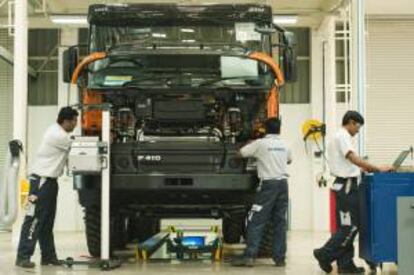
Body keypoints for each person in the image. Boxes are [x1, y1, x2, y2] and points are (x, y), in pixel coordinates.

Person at [313, 111, 393, 274]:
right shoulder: (342, 136)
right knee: (350, 227)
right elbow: (352, 158)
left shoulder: (341, 136)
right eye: (358, 126)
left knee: (346, 226)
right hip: (347, 188)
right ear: (350, 122)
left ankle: (345, 264)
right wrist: (377, 168)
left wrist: (365, 167)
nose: (358, 130)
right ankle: (324, 254)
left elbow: (351, 163)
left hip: (344, 186)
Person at [15, 107, 79, 268]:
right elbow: (77, 146)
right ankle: (23, 257)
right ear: (65, 121)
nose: (76, 124)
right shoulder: (57, 135)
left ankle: (48, 256)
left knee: (47, 222)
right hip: (41, 182)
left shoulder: (59, 132)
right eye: (74, 121)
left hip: (50, 182)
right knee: (34, 220)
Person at [231, 117, 292, 267]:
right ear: (280, 129)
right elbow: (289, 160)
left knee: (256, 220)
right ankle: (280, 259)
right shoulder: (285, 144)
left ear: (265, 129)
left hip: (268, 186)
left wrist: (249, 144)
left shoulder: (260, 144)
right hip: (283, 185)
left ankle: (249, 256)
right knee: (280, 222)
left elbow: (240, 154)